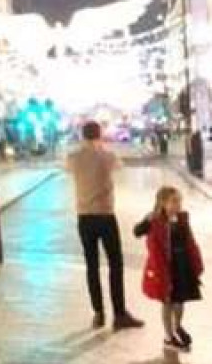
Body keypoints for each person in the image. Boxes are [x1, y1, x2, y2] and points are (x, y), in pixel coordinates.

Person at [66, 120, 142, 330]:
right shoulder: (107, 156)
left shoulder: (73, 157)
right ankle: (119, 313)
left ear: (82, 135)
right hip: (105, 216)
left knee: (92, 266)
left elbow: (67, 168)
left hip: (84, 218)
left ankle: (98, 313)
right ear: (99, 135)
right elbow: (119, 166)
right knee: (115, 264)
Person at [133, 186, 203, 351]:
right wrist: (147, 221)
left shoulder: (182, 219)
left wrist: (196, 262)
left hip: (182, 266)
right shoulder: (155, 220)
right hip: (164, 269)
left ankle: (177, 326)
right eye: (174, 201)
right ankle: (168, 336)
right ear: (163, 203)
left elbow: (190, 242)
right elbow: (137, 232)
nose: (178, 205)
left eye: (179, 201)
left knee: (180, 300)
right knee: (168, 302)